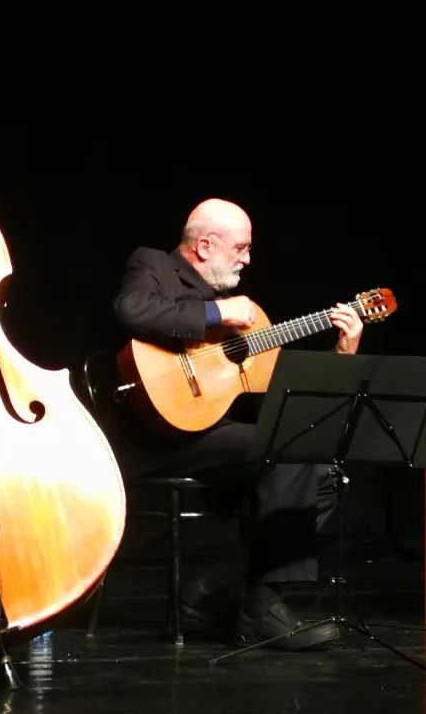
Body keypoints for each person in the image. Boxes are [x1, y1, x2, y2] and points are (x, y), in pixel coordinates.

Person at [109, 198, 364, 650]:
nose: (247, 259)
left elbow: (290, 392)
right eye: (240, 248)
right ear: (205, 245)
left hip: (218, 438)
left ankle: (219, 592)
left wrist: (342, 356)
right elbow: (132, 309)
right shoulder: (154, 266)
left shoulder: (245, 320)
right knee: (292, 454)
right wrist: (216, 314)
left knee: (325, 474)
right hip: (156, 439)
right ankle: (257, 609)